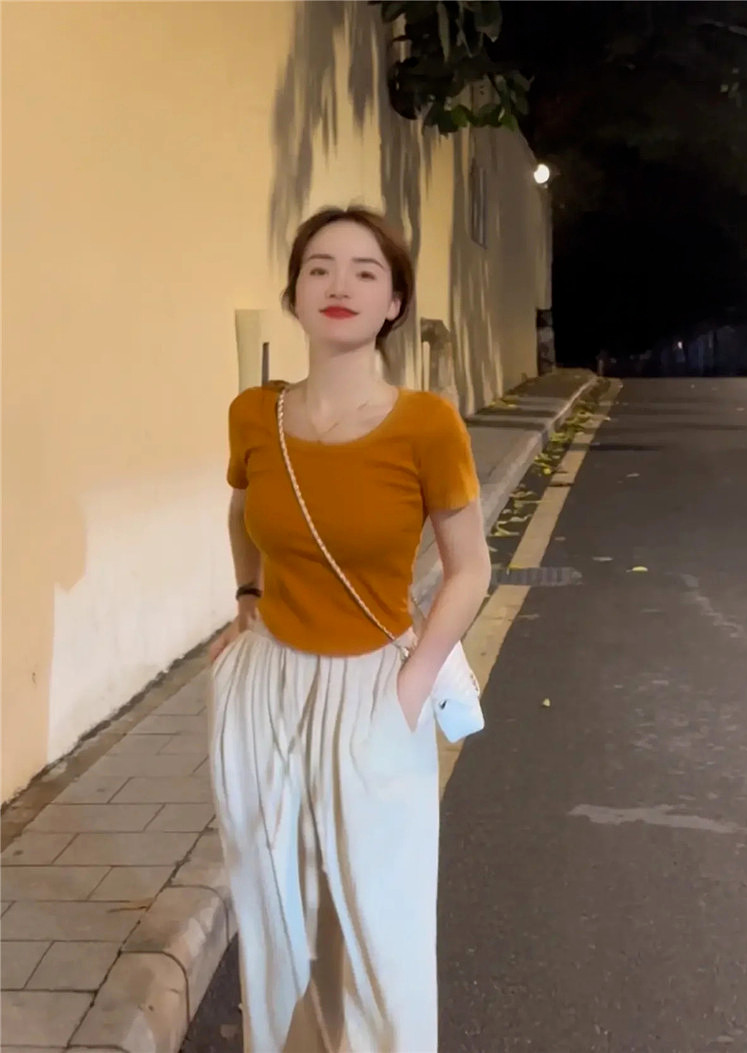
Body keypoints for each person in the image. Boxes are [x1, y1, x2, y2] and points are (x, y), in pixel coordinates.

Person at [208, 205, 491, 1052]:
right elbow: (242, 511)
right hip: (268, 687)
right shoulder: (255, 414)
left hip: (375, 684)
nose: (340, 284)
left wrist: (412, 683)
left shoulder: (427, 424)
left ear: (393, 302)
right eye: (319, 267)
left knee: (379, 926)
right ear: (294, 294)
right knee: (276, 914)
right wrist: (247, 596)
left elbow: (470, 568)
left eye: (366, 271)